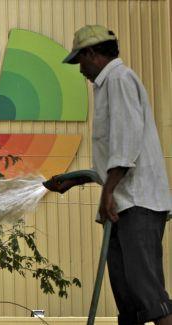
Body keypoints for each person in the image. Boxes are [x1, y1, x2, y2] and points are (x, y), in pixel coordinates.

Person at [44, 25, 172, 325]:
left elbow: (127, 142)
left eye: (80, 61)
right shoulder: (107, 84)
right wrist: (77, 180)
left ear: (92, 53)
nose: (80, 70)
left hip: (137, 203)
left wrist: (108, 192)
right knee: (128, 300)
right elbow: (115, 154)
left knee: (149, 294)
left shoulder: (119, 78)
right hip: (122, 203)